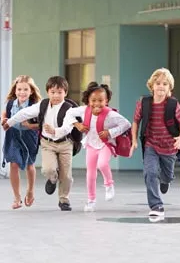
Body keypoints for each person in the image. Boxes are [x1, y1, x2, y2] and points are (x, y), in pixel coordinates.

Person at [3, 76, 76, 211]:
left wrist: (55, 131)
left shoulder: (69, 108)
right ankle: (52, 179)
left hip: (64, 143)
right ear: (48, 92)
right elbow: (24, 113)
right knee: (48, 169)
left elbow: (69, 127)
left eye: (59, 92)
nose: (55, 95)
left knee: (66, 175)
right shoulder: (42, 105)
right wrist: (9, 122)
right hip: (47, 143)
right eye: (52, 92)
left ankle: (64, 199)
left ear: (65, 93)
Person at [55, 82, 131, 212]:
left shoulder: (110, 114)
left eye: (100, 100)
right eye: (93, 100)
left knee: (102, 164)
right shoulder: (84, 110)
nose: (97, 103)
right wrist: (77, 124)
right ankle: (91, 200)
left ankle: (109, 185)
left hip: (105, 144)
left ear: (106, 100)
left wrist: (110, 132)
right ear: (88, 101)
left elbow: (126, 124)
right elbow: (69, 113)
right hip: (91, 144)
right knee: (90, 173)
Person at [130, 68, 180, 217]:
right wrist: (134, 140)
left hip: (169, 147)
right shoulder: (144, 103)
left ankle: (166, 180)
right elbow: (135, 121)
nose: (161, 86)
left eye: (165, 84)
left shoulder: (173, 104)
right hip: (151, 144)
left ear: (169, 88)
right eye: (158, 83)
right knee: (150, 172)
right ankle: (156, 205)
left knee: (167, 175)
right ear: (152, 85)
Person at [2, 75, 42, 209]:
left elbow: (41, 124)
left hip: (29, 137)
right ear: (15, 90)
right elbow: (5, 114)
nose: (22, 92)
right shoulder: (10, 103)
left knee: (30, 165)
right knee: (13, 164)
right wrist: (3, 119)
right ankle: (17, 197)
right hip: (13, 136)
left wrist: (30, 126)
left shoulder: (35, 106)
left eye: (25, 89)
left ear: (31, 91)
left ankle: (30, 191)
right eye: (19, 89)